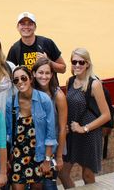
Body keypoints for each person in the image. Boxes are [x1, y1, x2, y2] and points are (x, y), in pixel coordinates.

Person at [60, 48, 110, 188]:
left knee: (87, 175)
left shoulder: (94, 84)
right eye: (74, 62)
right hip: (72, 133)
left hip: (89, 134)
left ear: (87, 64)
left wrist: (84, 128)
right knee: (63, 173)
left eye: (81, 62)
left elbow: (106, 115)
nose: (77, 65)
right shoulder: (70, 81)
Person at [5, 66, 56, 190]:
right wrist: (6, 159)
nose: (20, 82)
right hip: (17, 155)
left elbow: (50, 134)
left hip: (39, 155)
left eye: (23, 78)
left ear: (31, 78)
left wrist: (47, 160)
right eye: (16, 80)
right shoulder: (10, 102)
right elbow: (7, 133)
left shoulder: (44, 100)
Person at [32, 58, 67, 190]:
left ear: (52, 75)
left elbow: (63, 128)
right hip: (35, 148)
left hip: (53, 148)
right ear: (34, 73)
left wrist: (59, 156)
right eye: (41, 73)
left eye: (47, 73)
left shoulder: (58, 96)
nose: (44, 76)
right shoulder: (30, 93)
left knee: (49, 184)